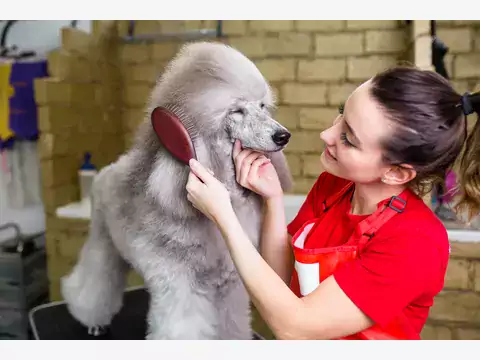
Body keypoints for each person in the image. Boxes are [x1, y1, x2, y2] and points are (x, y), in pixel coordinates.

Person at [185, 66, 480, 340]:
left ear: (396, 172)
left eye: (349, 138)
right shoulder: (335, 186)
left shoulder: (415, 243)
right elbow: (284, 280)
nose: (326, 134)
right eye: (341, 114)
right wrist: (273, 198)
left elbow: (294, 326)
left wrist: (224, 217)